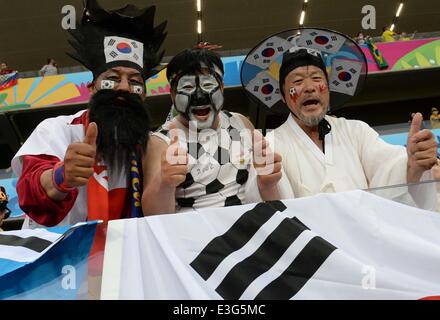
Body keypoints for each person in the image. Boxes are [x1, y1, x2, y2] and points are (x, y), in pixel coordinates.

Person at [11, 0, 167, 228]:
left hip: (123, 256)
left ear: (143, 96)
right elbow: (31, 191)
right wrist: (61, 176)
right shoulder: (57, 129)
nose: (123, 87)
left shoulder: (149, 147)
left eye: (134, 82)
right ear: (91, 88)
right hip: (57, 256)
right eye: (112, 79)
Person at [269, 48, 438, 198]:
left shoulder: (356, 131)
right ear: (283, 96)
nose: (309, 87)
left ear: (328, 88)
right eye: (297, 82)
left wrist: (412, 167)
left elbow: (389, 167)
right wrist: (265, 186)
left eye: (316, 78)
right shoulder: (271, 144)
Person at [141, 48, 283, 215]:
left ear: (221, 87)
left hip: (252, 224)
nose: (199, 96)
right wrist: (164, 183)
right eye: (187, 87)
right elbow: (153, 216)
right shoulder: (160, 142)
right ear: (172, 95)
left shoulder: (241, 123)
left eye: (208, 85)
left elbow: (269, 194)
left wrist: (268, 181)